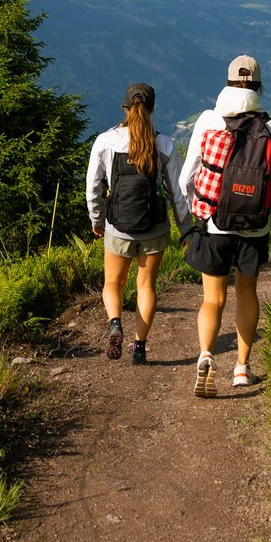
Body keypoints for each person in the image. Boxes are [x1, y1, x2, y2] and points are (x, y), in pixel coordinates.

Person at [179, 55, 271, 397]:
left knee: (212, 299)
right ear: (258, 87)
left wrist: (198, 213)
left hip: (214, 224)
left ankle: (206, 355)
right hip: (255, 226)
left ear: (228, 82)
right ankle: (242, 368)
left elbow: (184, 178)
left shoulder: (208, 120)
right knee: (247, 293)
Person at [86, 82, 191, 365]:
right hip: (154, 228)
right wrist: (186, 230)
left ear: (126, 107)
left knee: (113, 282)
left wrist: (97, 219)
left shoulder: (106, 141)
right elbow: (178, 193)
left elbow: (93, 187)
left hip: (118, 226)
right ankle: (139, 347)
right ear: (153, 108)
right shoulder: (165, 144)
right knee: (146, 286)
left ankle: (115, 323)